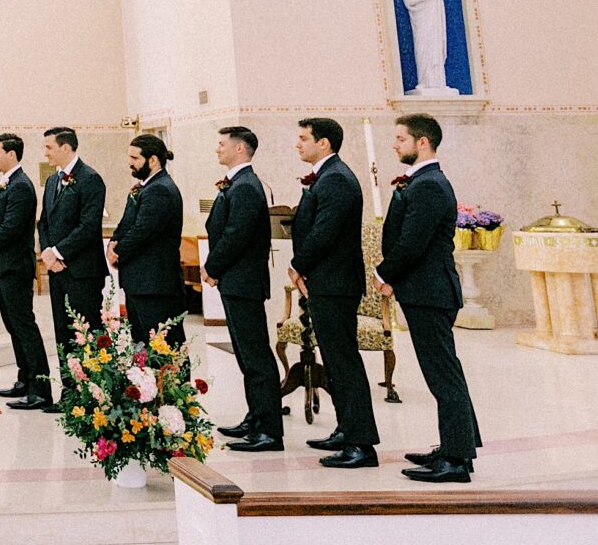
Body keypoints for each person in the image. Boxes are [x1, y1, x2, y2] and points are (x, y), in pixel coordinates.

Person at [377, 114, 481, 483]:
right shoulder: (423, 181)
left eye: (401, 138)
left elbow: (413, 241)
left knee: (442, 375)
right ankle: (458, 446)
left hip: (430, 291)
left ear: (423, 143)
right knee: (444, 372)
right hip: (426, 290)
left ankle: (455, 459)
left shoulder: (430, 184)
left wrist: (383, 273)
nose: (395, 144)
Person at [289, 117, 380, 469]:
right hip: (327, 282)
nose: (298, 144)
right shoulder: (327, 176)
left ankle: (361, 443)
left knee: (344, 363)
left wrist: (298, 264)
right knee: (337, 362)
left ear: (323, 143)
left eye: (303, 139)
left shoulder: (338, 179)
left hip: (335, 284)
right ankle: (346, 429)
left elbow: (325, 232)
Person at [203, 126, 283, 451]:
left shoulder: (248, 186)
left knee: (257, 356)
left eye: (221, 144)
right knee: (246, 356)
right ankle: (256, 416)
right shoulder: (238, 183)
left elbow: (236, 234)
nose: (217, 149)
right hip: (236, 283)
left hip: (244, 282)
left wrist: (212, 267)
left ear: (239, 149)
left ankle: (269, 431)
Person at [37, 126, 106, 407]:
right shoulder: (53, 181)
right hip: (58, 271)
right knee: (63, 333)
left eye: (49, 147)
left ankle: (90, 393)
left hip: (82, 271)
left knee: (85, 333)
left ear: (66, 148)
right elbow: (44, 222)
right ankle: (68, 392)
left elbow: (89, 226)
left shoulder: (91, 179)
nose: (45, 152)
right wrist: (47, 251)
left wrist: (58, 251)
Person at [0, 133, 49, 410]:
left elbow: (12, 226)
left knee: (24, 325)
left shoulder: (20, 185)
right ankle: (24, 379)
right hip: (2, 265)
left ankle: (40, 387)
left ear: (12, 154)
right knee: (12, 325)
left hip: (15, 266)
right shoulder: (5, 183)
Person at [108, 134, 185, 347]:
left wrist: (119, 251)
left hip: (154, 283)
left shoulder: (160, 188)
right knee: (142, 343)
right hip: (140, 282)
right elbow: (126, 224)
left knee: (163, 345)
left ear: (152, 160)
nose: (130, 163)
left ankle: (172, 382)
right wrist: (112, 243)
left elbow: (143, 230)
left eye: (135, 158)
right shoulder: (145, 186)